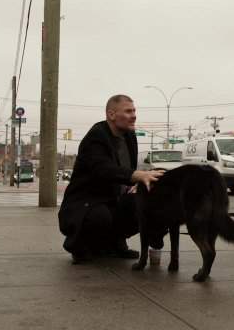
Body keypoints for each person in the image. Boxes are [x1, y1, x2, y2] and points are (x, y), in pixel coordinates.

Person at [58, 95, 163, 264]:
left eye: (134, 111)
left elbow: (126, 170)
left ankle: (115, 243)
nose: (134, 116)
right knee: (100, 216)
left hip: (113, 200)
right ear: (111, 114)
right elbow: (103, 169)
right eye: (128, 111)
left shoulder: (130, 136)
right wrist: (137, 176)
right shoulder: (96, 137)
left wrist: (137, 184)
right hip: (86, 203)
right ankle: (80, 245)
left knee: (146, 204)